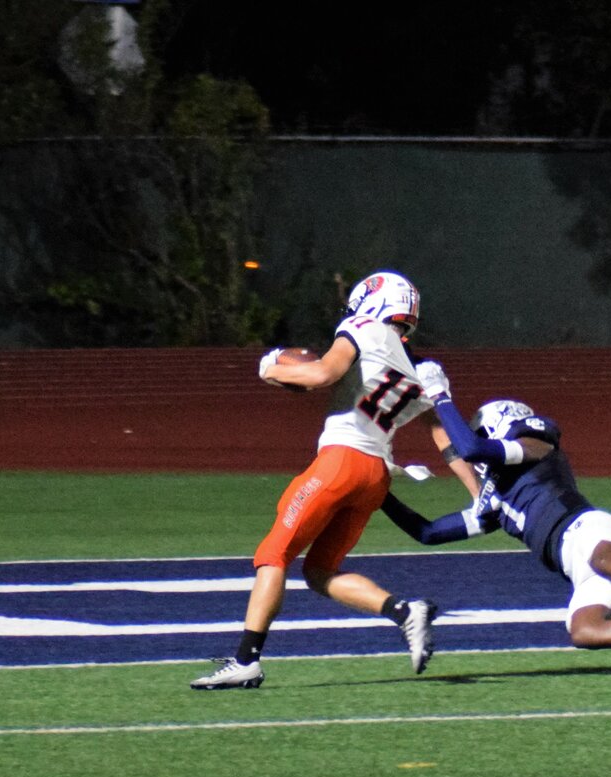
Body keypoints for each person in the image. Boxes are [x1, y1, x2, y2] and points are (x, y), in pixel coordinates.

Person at [190, 271, 445, 690]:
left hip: (341, 463)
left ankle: (246, 661)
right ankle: (404, 611)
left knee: (273, 553)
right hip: (377, 475)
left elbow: (324, 374)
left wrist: (272, 368)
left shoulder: (361, 327)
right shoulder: (410, 367)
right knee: (321, 570)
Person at [380, 362, 611, 650]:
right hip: (577, 568)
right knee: (585, 632)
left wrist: (441, 396)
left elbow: (471, 449)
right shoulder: (494, 502)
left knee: (598, 553)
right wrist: (378, 491)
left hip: (588, 529)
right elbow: (427, 533)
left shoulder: (536, 440)